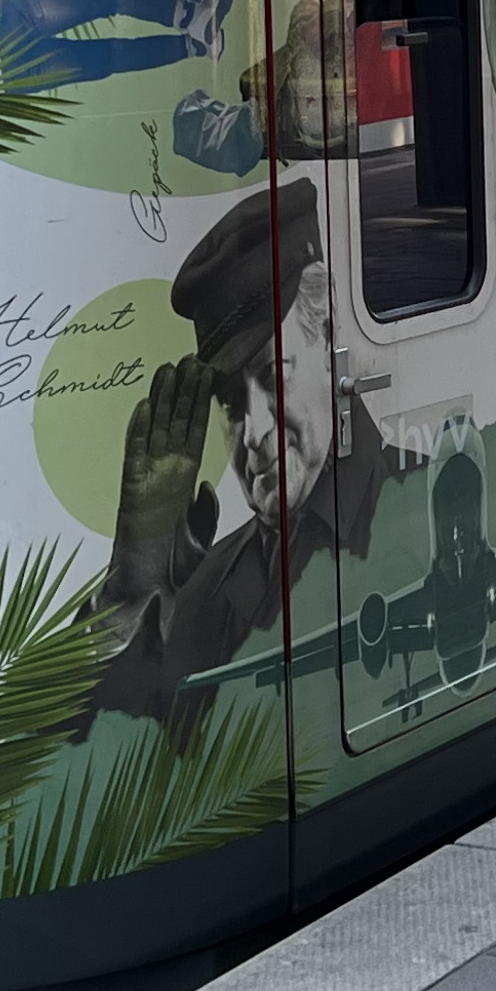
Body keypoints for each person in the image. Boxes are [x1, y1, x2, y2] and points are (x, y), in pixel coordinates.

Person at [87, 178, 383, 734]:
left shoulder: (411, 499)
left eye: (272, 376)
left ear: (329, 339)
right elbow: (124, 748)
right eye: (228, 400)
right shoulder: (208, 586)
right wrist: (131, 593)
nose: (253, 433)